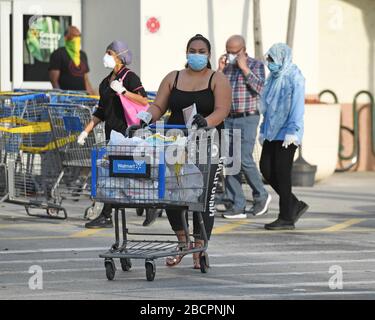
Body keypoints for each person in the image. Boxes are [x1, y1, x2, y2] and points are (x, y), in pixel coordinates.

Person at [141, 34, 231, 268]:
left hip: (206, 144)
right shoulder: (174, 77)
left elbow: (222, 110)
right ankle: (182, 242)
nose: (197, 54)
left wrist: (206, 121)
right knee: (172, 195)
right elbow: (159, 105)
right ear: (186, 52)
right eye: (193, 50)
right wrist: (145, 117)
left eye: (202, 51)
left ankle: (199, 249)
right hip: (175, 142)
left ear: (208, 55)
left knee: (201, 199)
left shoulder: (216, 79)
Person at [76, 40, 159, 228]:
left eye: (109, 53)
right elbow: (101, 111)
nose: (106, 56)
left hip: (128, 132)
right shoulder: (105, 82)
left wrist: (123, 91)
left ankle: (148, 204)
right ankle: (111, 214)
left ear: (120, 56)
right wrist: (85, 131)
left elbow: (144, 100)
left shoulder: (129, 77)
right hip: (111, 133)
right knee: (114, 173)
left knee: (126, 171)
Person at [217, 35, 271, 219]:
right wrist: (219, 70)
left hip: (248, 117)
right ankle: (236, 204)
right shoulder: (227, 68)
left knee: (244, 158)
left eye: (234, 52)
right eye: (228, 52)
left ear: (243, 50)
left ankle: (261, 195)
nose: (231, 55)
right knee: (231, 160)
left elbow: (261, 89)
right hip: (229, 118)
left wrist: (244, 68)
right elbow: (216, 89)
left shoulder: (255, 65)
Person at [259, 43, 309, 230]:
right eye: (269, 59)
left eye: (272, 59)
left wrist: (292, 131)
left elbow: (297, 107)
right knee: (266, 168)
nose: (269, 63)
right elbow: (267, 107)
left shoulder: (295, 77)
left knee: (282, 172)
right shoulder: (273, 78)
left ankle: (286, 217)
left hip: (288, 132)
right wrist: (263, 129)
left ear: (282, 58)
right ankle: (293, 203)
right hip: (272, 131)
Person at [49, 26, 95, 95]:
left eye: (79, 36)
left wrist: (92, 96)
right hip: (67, 99)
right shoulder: (58, 54)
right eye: (74, 36)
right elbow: (54, 81)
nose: (77, 38)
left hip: (82, 98)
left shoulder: (82, 55)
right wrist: (60, 97)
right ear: (66, 37)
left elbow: (86, 79)